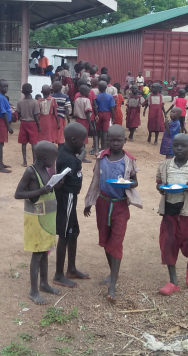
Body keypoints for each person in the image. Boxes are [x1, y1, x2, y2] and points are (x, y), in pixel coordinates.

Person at [83, 124, 141, 302]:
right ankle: (112, 273)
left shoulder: (129, 159)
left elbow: (135, 181)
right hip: (103, 203)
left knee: (116, 241)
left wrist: (129, 184)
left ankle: (113, 284)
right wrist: (89, 202)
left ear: (124, 140)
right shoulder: (102, 157)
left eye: (119, 140)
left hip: (120, 205)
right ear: (107, 140)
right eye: (112, 140)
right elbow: (96, 181)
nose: (115, 143)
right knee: (106, 240)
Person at [156, 133, 188, 295]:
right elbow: (159, 184)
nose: (179, 149)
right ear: (171, 147)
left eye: (183, 146)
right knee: (168, 243)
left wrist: (187, 188)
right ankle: (173, 281)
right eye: (175, 145)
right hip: (169, 211)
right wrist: (161, 188)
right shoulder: (165, 165)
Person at [14, 141, 63, 305]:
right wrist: (40, 191)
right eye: (53, 159)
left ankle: (44, 283)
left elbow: (47, 189)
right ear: (45, 158)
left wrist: (55, 185)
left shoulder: (45, 170)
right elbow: (18, 193)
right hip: (35, 221)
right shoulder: (30, 171)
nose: (54, 162)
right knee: (37, 254)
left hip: (47, 221)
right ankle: (33, 290)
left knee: (45, 252)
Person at [53, 122, 90, 288]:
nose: (84, 144)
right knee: (65, 234)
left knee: (73, 232)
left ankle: (71, 269)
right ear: (74, 140)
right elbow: (73, 166)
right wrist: (81, 157)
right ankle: (59, 275)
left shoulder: (65, 150)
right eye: (83, 141)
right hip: (66, 198)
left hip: (71, 198)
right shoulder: (67, 157)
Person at [0, 79, 15, 173]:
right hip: (2, 122)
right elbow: (4, 112)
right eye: (3, 86)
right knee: (0, 144)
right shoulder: (1, 98)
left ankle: (0, 163)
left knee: (1, 144)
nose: (5, 88)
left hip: (3, 122)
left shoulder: (3, 97)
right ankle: (0, 166)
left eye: (6, 86)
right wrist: (8, 126)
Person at [17, 83, 41, 167]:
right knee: (33, 143)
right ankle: (34, 162)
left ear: (22, 91)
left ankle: (24, 161)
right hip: (32, 124)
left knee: (23, 143)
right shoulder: (35, 102)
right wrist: (39, 126)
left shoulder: (20, 102)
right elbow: (36, 116)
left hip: (23, 123)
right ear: (31, 91)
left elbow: (18, 115)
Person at [72, 84, 95, 163]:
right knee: (83, 140)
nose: (89, 93)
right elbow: (87, 113)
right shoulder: (87, 100)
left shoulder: (77, 99)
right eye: (88, 91)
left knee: (78, 138)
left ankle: (76, 154)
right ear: (84, 92)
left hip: (78, 120)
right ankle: (83, 157)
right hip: (84, 121)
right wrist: (90, 124)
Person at [95, 81, 116, 152]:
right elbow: (112, 108)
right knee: (105, 131)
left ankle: (96, 147)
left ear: (98, 88)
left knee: (98, 131)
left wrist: (96, 115)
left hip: (99, 113)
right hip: (107, 114)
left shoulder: (96, 96)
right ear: (106, 88)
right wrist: (113, 117)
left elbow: (95, 106)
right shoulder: (110, 96)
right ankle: (103, 148)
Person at [51, 81, 71, 145]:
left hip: (52, 118)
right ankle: (60, 151)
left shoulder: (51, 97)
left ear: (53, 88)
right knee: (60, 136)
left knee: (52, 134)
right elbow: (66, 110)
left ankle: (51, 151)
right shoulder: (65, 97)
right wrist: (68, 119)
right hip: (61, 118)